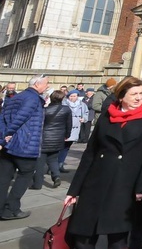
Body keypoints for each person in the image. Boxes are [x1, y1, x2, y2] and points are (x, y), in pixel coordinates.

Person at [64, 77, 142, 249]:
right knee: (82, 238)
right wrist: (74, 190)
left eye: (141, 93)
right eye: (134, 94)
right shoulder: (108, 114)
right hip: (96, 183)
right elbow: (90, 153)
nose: (139, 98)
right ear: (121, 96)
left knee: (117, 240)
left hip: (125, 184)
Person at [0, 74, 48, 220]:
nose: (47, 86)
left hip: (9, 145)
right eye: (46, 83)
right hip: (25, 144)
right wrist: (8, 133)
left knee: (4, 177)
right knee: (25, 174)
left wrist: (3, 138)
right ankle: (11, 209)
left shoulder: (15, 97)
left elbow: (2, 118)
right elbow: (21, 117)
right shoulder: (33, 99)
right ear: (37, 84)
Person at [32, 90, 72, 190]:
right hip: (58, 138)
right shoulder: (66, 109)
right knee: (53, 159)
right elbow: (69, 124)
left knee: (39, 162)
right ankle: (56, 177)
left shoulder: (44, 110)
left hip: (44, 138)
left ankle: (37, 184)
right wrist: (67, 135)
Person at [58, 90, 85, 173]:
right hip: (65, 128)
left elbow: (86, 113)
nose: (73, 97)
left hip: (75, 129)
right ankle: (54, 166)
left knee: (66, 148)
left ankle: (60, 164)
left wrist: (84, 119)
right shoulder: (64, 104)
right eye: (71, 96)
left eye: (75, 96)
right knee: (60, 147)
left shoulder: (82, 105)